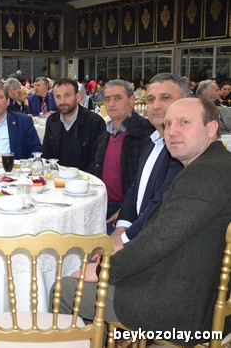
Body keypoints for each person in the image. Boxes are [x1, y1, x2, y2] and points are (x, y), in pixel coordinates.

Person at [60, 97, 231, 346]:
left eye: (184, 123)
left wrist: (103, 270)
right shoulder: (218, 163)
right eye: (168, 124)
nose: (172, 131)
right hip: (199, 289)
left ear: (211, 128)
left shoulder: (205, 175)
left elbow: (159, 239)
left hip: (179, 307)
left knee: (64, 289)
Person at [111, 73, 189, 250]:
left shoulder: (182, 150)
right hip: (135, 230)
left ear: (185, 102)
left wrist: (123, 239)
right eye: (151, 99)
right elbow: (135, 187)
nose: (156, 106)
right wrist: (122, 225)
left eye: (165, 98)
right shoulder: (151, 141)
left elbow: (160, 203)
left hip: (156, 244)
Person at [92, 79, 155, 234]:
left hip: (128, 209)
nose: (111, 104)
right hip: (101, 203)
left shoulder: (147, 132)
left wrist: (127, 211)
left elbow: (150, 181)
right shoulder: (105, 132)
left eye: (117, 98)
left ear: (132, 100)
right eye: (107, 99)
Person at [42, 78, 107, 172]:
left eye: (67, 95)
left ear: (78, 96)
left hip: (85, 178)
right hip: (57, 177)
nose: (62, 101)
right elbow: (46, 156)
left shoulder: (95, 122)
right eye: (58, 96)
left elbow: (98, 161)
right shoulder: (52, 121)